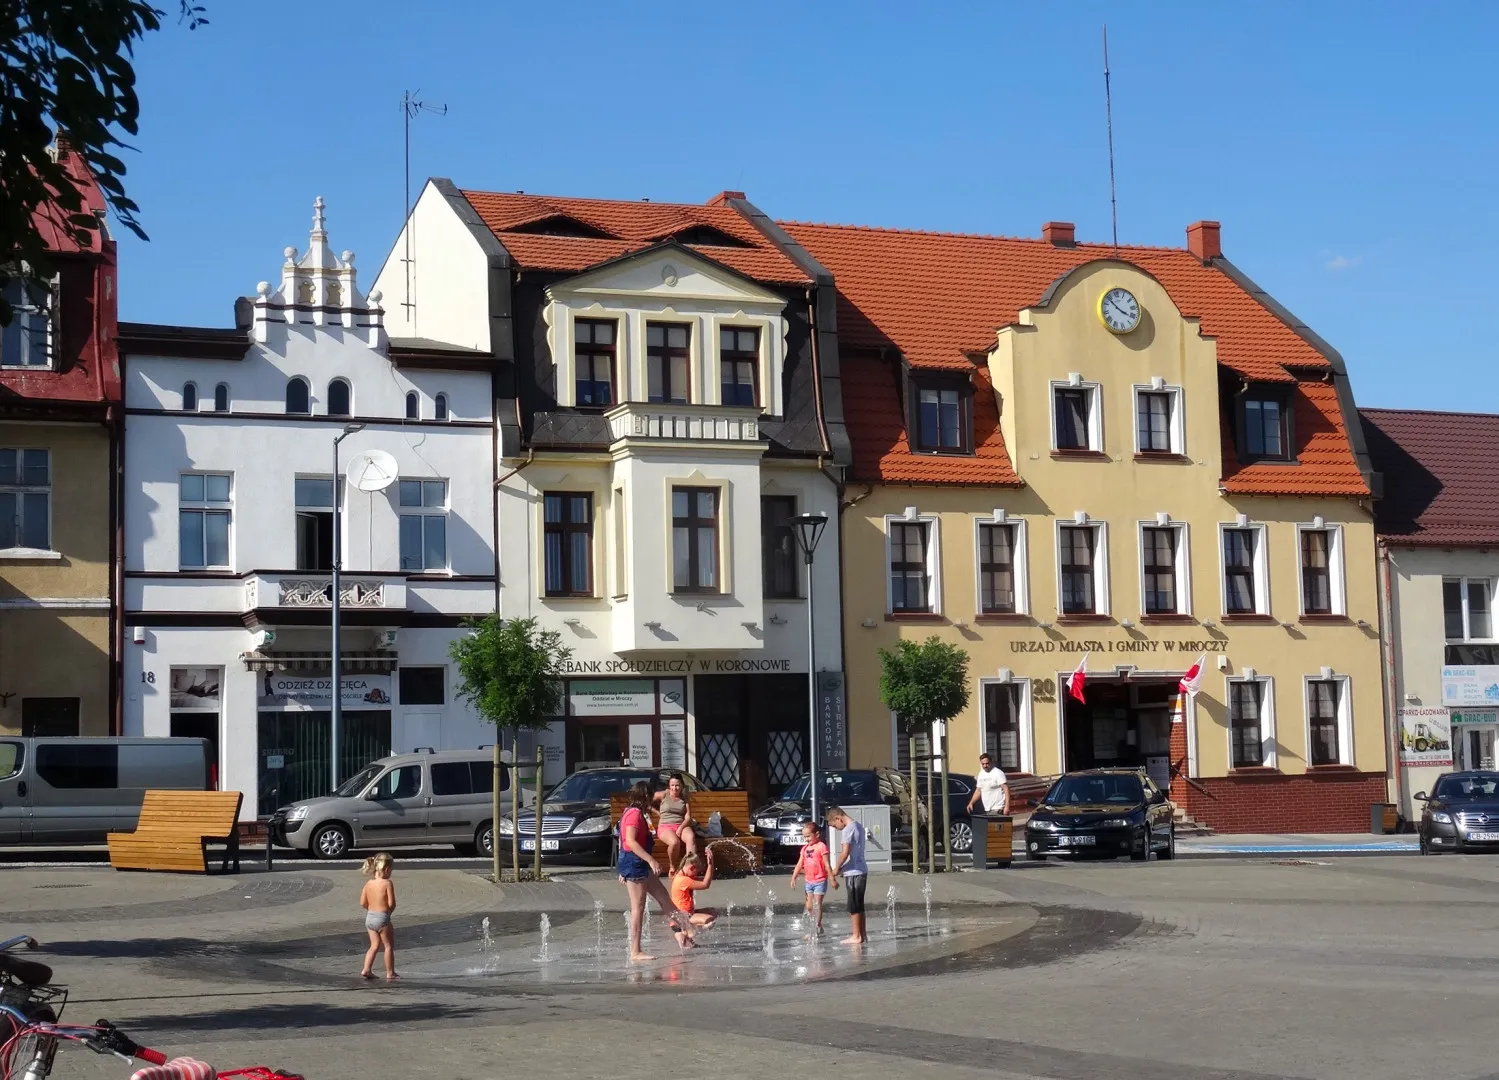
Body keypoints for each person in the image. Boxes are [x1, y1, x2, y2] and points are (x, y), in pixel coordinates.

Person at [619, 780, 694, 961]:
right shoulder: (634, 814)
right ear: (644, 796)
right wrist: (650, 860)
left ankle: (684, 932)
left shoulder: (638, 813)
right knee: (638, 908)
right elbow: (629, 841)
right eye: (650, 796)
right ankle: (635, 951)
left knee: (664, 898)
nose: (652, 800)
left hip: (638, 863)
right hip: (635, 863)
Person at [827, 806, 868, 945]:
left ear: (838, 818)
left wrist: (836, 868)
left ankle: (856, 936)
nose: (835, 828)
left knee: (854, 905)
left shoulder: (847, 830)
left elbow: (844, 853)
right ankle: (862, 934)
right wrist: (843, 869)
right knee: (859, 905)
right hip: (861, 870)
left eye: (834, 825)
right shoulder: (858, 826)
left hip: (854, 873)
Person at [789, 821, 835, 936]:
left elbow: (827, 864)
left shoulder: (821, 847)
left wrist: (832, 879)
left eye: (808, 836)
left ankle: (816, 927)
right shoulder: (804, 849)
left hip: (820, 880)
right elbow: (800, 864)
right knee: (809, 907)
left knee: (817, 904)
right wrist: (794, 877)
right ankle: (816, 926)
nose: (806, 839)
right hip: (809, 881)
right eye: (804, 837)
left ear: (817, 834)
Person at [359, 852, 398, 980]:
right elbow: (392, 903)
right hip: (382, 917)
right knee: (388, 946)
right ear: (386, 869)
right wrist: (388, 913)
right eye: (391, 870)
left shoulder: (368, 883)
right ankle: (390, 972)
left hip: (369, 918)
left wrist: (371, 910)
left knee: (374, 945)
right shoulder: (387, 883)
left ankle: (366, 969)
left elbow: (362, 902)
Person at [670, 846, 718, 930]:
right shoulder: (683, 880)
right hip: (682, 916)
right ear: (692, 868)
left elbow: (705, 880)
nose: (696, 875)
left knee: (713, 912)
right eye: (696, 872)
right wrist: (710, 864)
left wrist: (710, 862)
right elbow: (705, 884)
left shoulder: (683, 874)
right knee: (710, 920)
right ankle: (691, 929)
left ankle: (689, 934)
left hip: (688, 913)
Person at [653, 772, 691, 875]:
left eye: (677, 785)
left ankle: (689, 867)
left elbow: (688, 817)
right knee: (675, 842)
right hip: (665, 826)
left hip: (680, 824)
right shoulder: (664, 794)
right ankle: (673, 866)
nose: (675, 788)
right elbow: (647, 802)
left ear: (682, 785)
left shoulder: (684, 798)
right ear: (669, 786)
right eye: (672, 785)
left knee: (690, 837)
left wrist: (681, 827)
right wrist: (657, 812)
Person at [967, 753, 1010, 817]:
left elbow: (1006, 789)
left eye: (987, 763)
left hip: (998, 808)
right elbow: (978, 790)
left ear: (991, 762)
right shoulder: (981, 773)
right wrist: (971, 803)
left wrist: (1007, 806)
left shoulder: (998, 773)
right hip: (987, 809)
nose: (985, 766)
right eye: (983, 764)